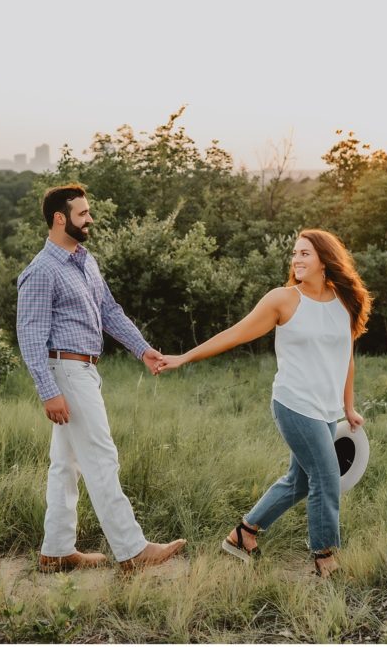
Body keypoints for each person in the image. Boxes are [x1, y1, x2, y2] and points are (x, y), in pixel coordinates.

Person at [159, 229, 371, 577]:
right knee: (326, 475)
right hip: (293, 403)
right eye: (294, 253)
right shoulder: (283, 300)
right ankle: (325, 557)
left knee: (299, 481)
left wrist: (348, 407)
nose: (297, 259)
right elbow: (234, 334)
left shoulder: (343, 301)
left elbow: (347, 358)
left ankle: (243, 534)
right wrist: (184, 358)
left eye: (305, 253)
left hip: (326, 409)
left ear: (324, 259)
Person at [16, 183, 186, 573]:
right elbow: (29, 337)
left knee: (66, 463)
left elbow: (109, 310)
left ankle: (56, 551)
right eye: (82, 213)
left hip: (86, 370)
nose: (90, 218)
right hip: (66, 371)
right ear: (60, 218)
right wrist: (48, 391)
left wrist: (143, 349)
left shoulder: (83, 260)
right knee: (101, 457)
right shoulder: (41, 271)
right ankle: (132, 550)